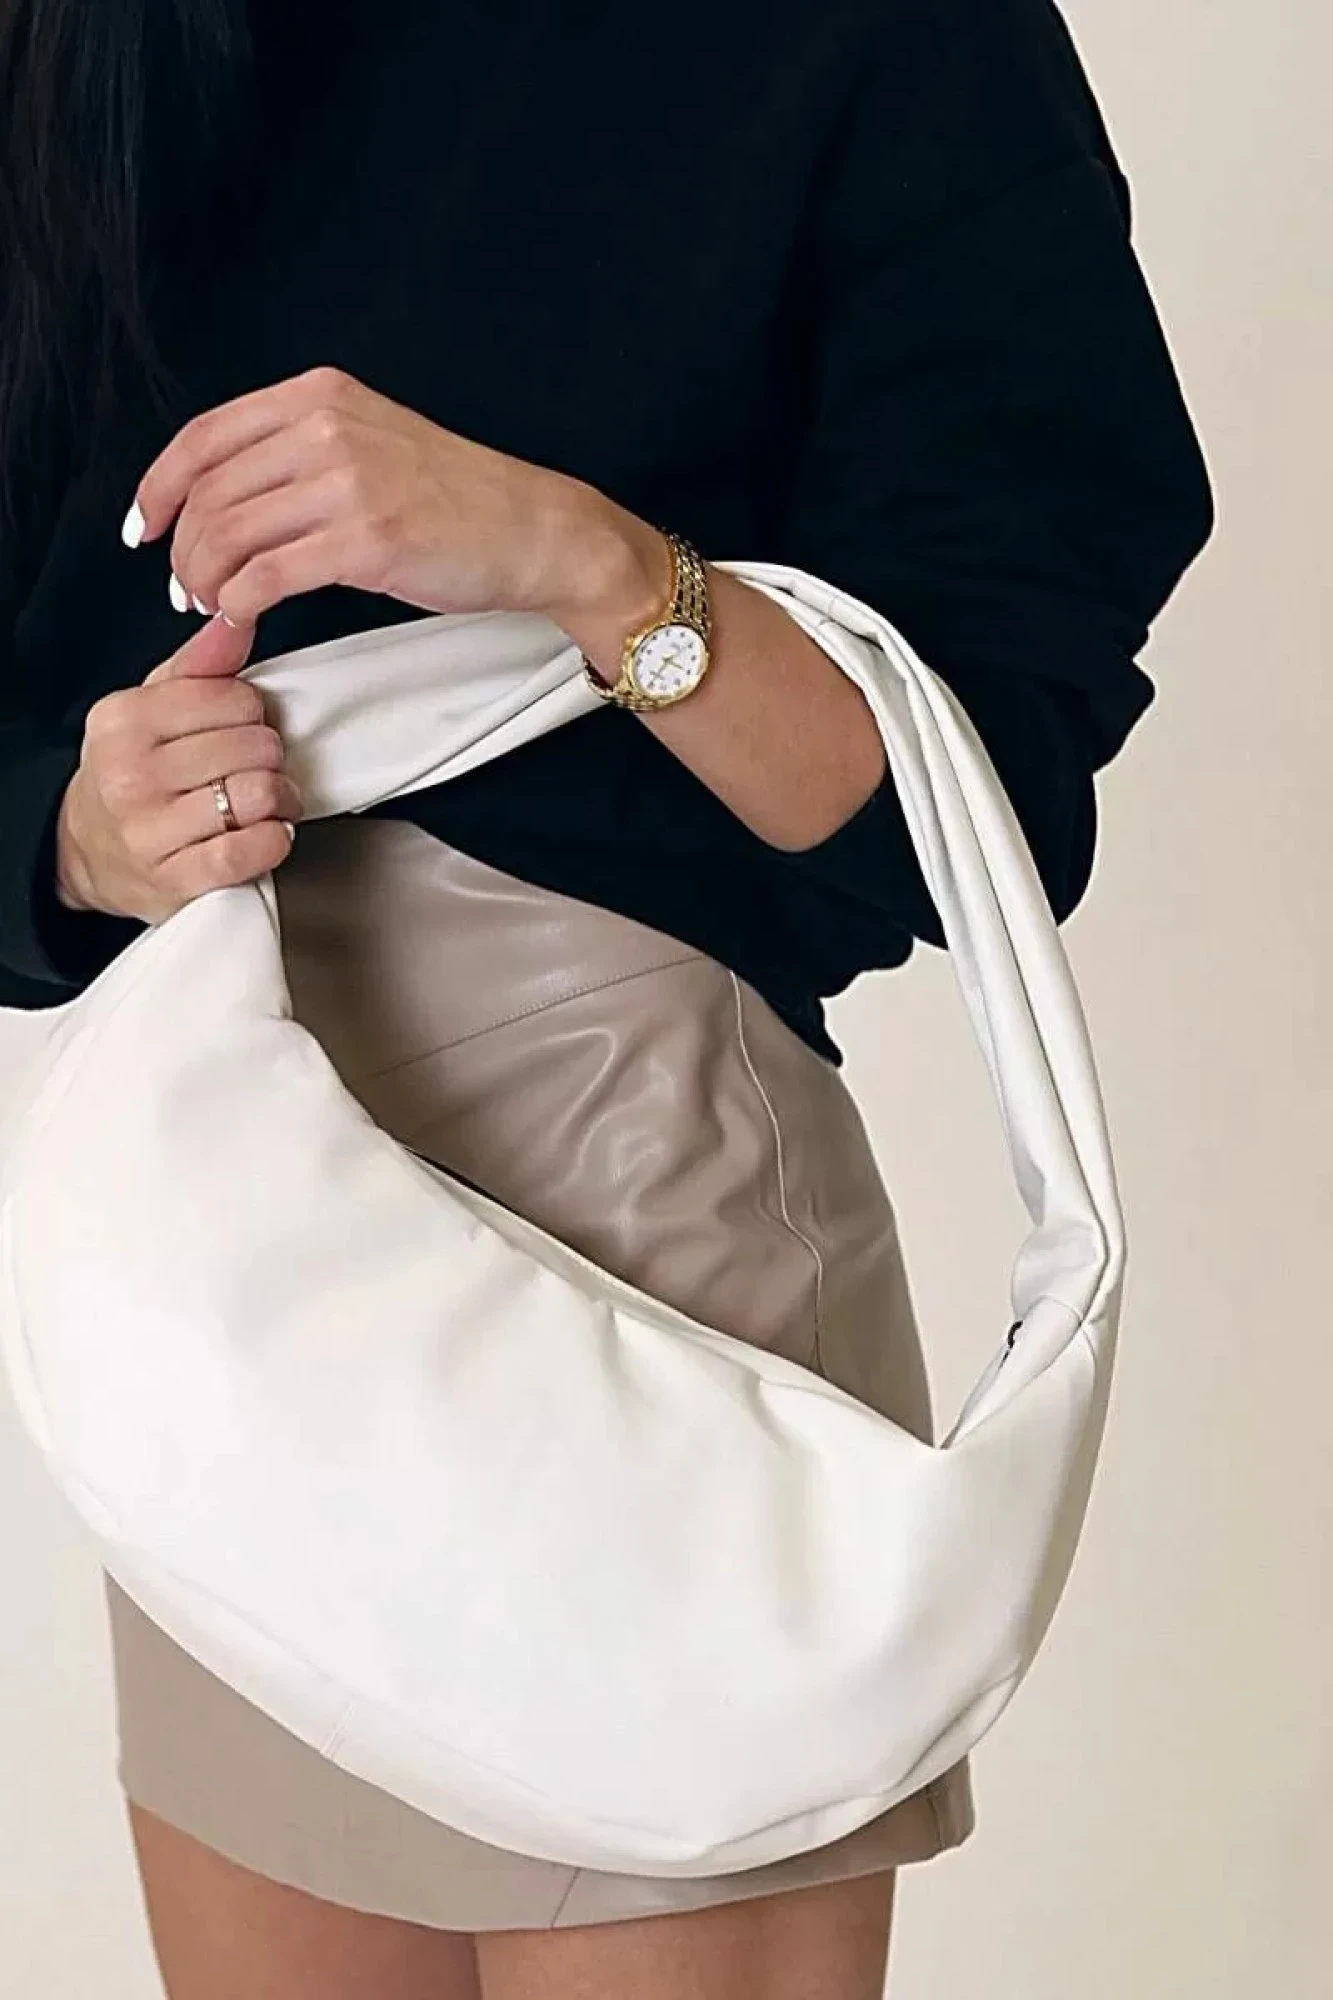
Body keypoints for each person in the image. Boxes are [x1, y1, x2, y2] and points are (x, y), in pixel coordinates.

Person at [0, 2, 1213, 1995]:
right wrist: (77, 829)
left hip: (645, 1208)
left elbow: (967, 796)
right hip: (224, 1269)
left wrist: (585, 562)